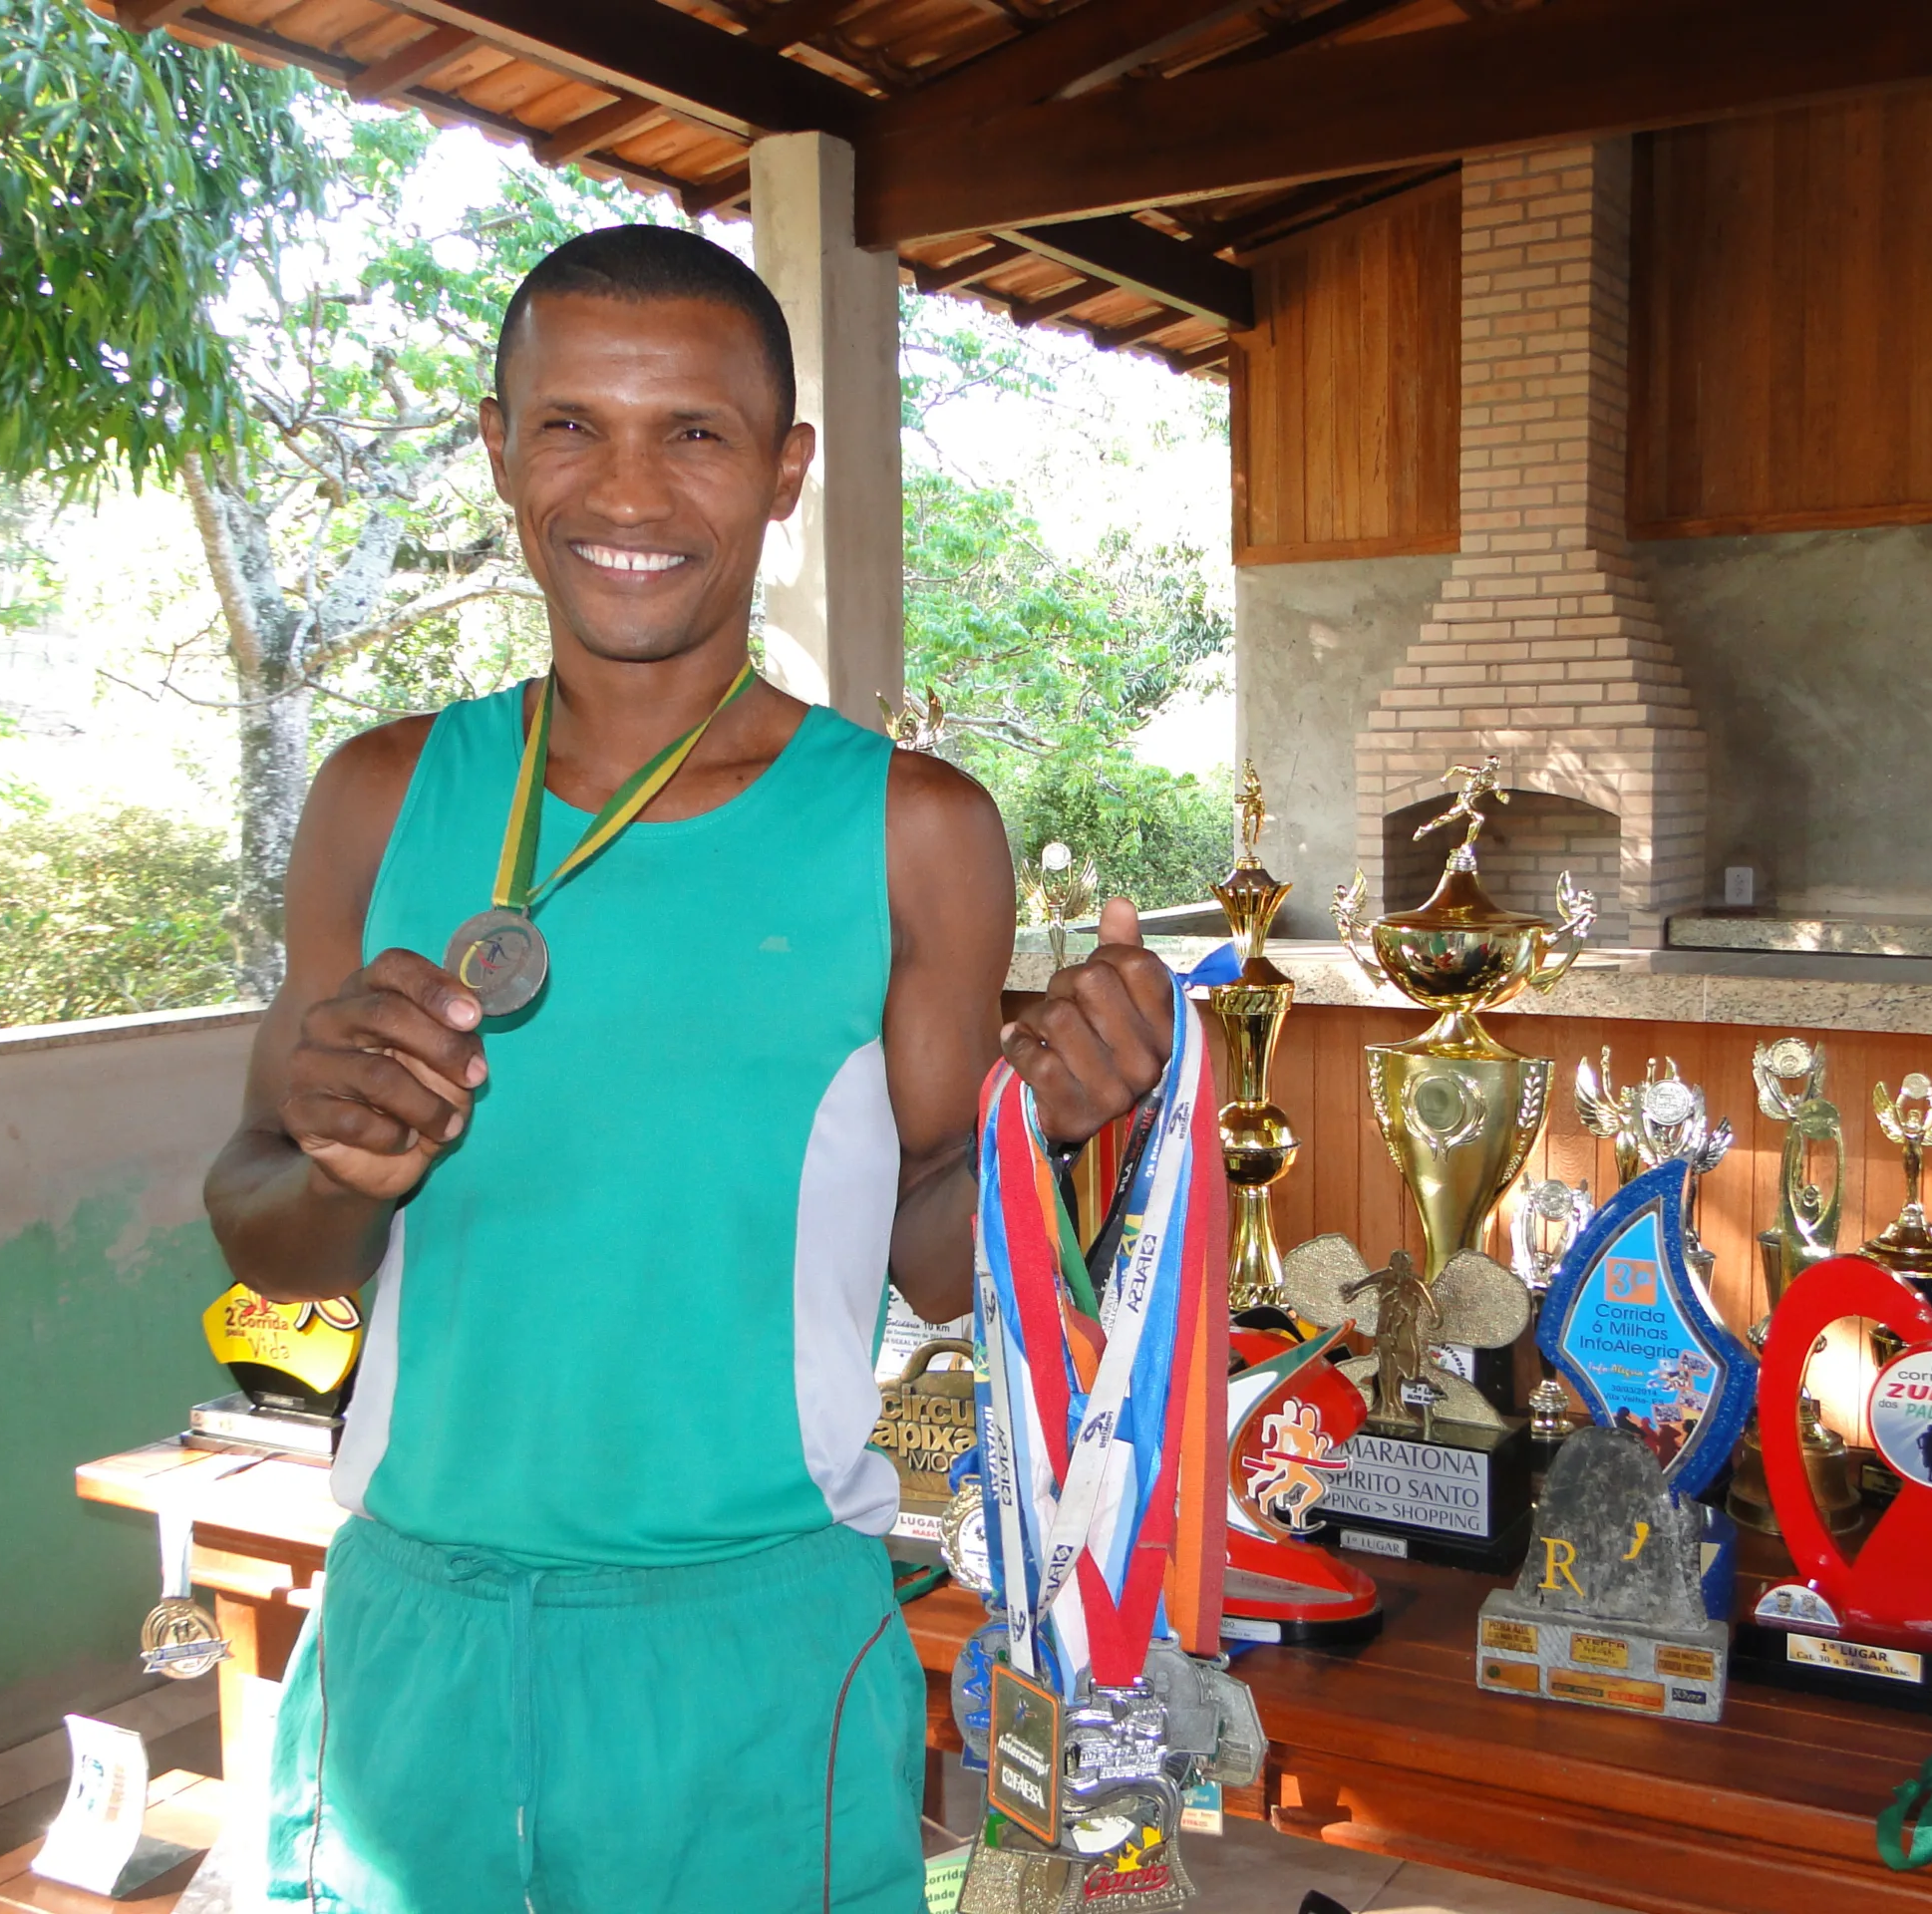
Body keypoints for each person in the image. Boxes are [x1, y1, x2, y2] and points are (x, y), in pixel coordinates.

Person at [201, 225, 1178, 1914]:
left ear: (787, 469)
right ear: (497, 446)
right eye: (570, 425)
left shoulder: (913, 832)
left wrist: (1056, 1128)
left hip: (753, 1645)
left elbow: (938, 1255)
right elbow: (257, 1214)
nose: (627, 493)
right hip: (412, 1628)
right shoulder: (379, 795)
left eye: (696, 435)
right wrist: (337, 1172)